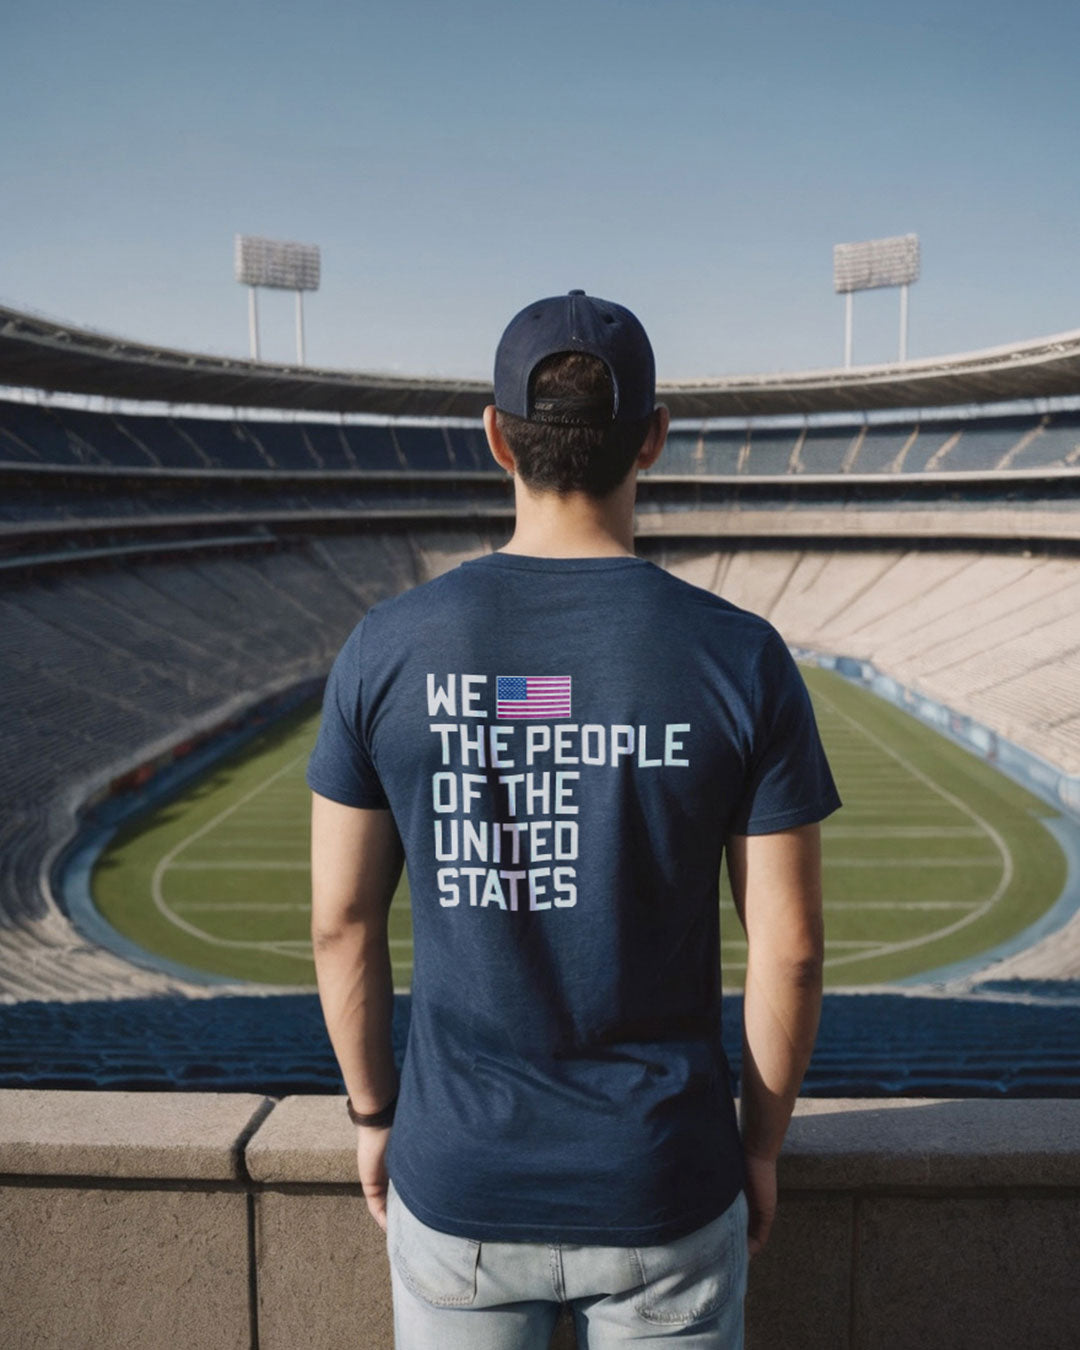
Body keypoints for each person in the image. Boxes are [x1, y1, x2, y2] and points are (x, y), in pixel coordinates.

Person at [306, 289, 842, 1348]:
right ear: (654, 439)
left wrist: (374, 1116)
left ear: (497, 437)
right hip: (664, 1180)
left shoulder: (386, 647)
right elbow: (791, 950)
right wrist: (763, 1147)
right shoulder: (740, 657)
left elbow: (339, 922)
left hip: (458, 1175)